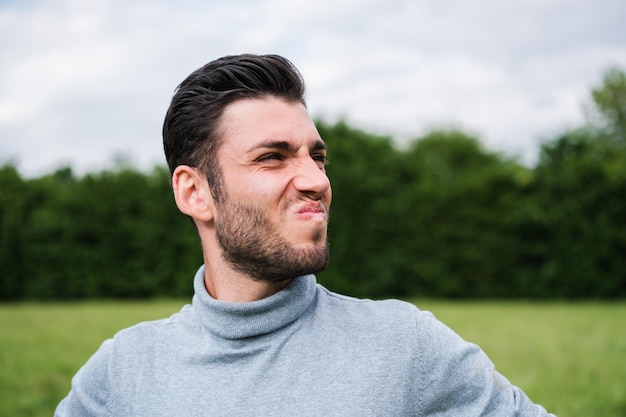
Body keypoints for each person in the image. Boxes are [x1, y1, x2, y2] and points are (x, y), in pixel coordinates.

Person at [55, 54, 556, 416]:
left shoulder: (406, 348)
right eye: (272, 156)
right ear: (194, 193)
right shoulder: (122, 373)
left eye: (316, 156)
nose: (316, 179)